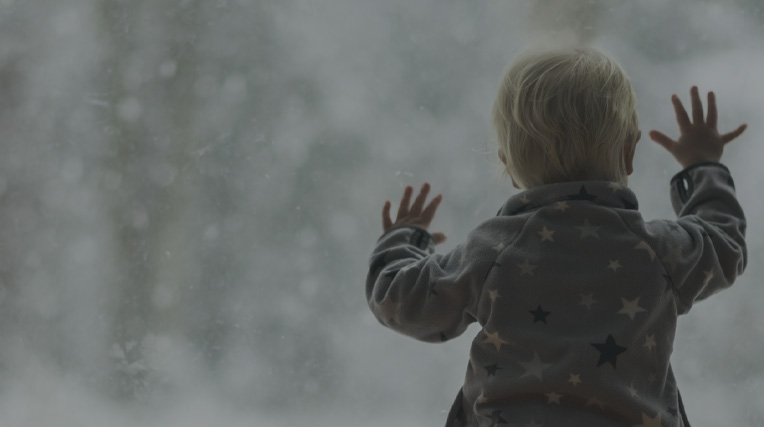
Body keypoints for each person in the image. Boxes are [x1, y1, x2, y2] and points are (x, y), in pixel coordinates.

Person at [365, 47, 747, 426]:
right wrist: (703, 166)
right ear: (630, 152)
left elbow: (398, 299)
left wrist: (405, 239)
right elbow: (724, 241)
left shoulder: (492, 253)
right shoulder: (658, 251)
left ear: (509, 167)